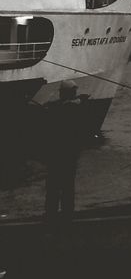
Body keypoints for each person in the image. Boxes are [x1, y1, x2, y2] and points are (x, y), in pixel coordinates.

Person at [42, 83, 85, 227]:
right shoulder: (73, 108)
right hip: (69, 156)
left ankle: (50, 218)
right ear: (71, 93)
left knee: (53, 189)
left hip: (55, 156)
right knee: (67, 188)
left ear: (62, 93)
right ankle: (67, 218)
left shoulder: (58, 109)